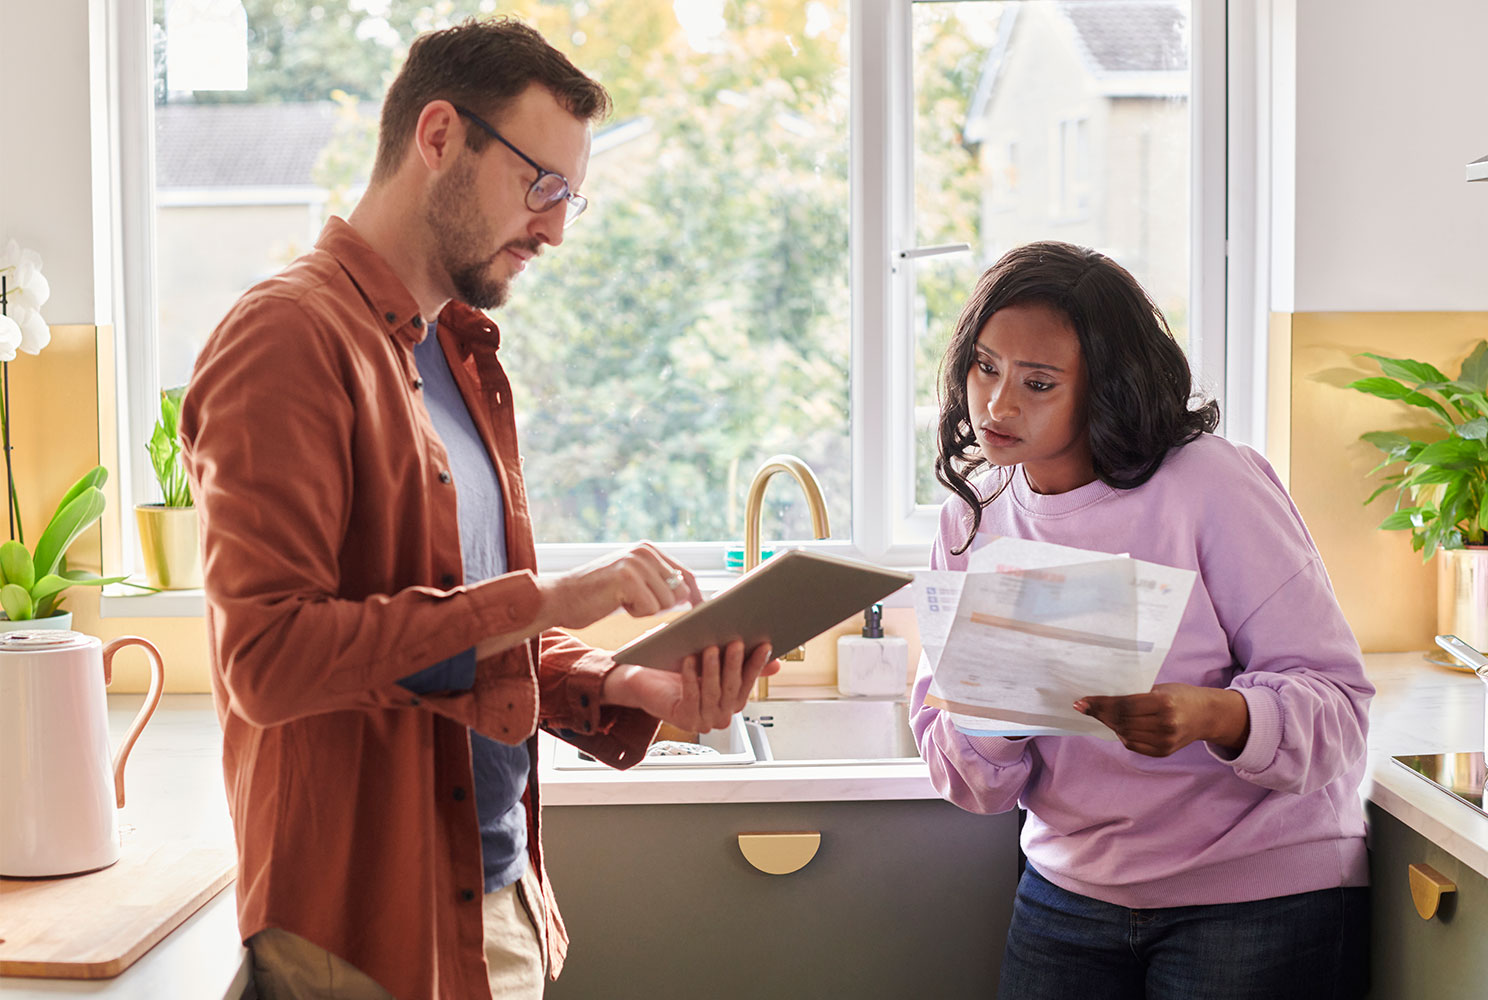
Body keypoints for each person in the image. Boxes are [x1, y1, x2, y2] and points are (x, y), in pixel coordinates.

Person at [181, 19, 775, 1000]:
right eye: (541, 186)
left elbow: (447, 629)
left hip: (487, 896)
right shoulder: (288, 337)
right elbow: (269, 660)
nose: (555, 227)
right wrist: (551, 595)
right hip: (356, 935)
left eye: (570, 197)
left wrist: (626, 686)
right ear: (440, 136)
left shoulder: (456, 355)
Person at [909, 241, 1375, 999]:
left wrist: (1218, 717)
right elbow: (968, 775)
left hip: (1257, 898)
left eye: (1039, 382)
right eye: (985, 366)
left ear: (1104, 390)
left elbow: (1340, 710)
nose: (996, 404)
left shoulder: (1210, 484)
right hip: (1069, 895)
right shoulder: (975, 516)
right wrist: (999, 709)